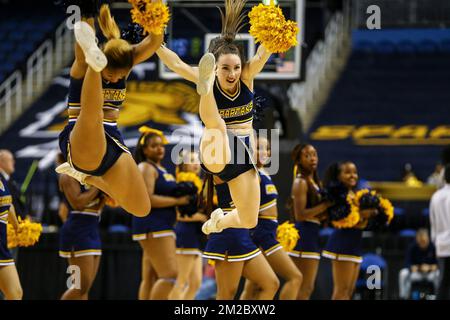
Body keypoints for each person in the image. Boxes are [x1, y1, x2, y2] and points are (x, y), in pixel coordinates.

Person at [156, 0, 289, 233]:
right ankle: (205, 88)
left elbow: (263, 52)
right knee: (217, 124)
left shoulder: (247, 76)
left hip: (241, 155)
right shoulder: (205, 73)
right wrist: (154, 40)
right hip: (214, 148)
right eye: (226, 68)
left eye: (236, 67)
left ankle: (217, 222)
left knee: (249, 220)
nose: (233, 73)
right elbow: (175, 62)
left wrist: (272, 17)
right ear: (215, 68)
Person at [55, 2, 164, 217]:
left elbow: (155, 41)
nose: (115, 79)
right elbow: (83, 37)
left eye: (120, 77)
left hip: (112, 139)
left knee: (141, 208)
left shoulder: (126, 59)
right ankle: (93, 57)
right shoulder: (82, 65)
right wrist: (87, 13)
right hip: (80, 134)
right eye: (110, 75)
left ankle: (89, 177)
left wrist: (151, 10)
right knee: (92, 113)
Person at [240, 136, 302, 300]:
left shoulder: (263, 172)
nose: (264, 152)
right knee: (295, 277)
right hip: (262, 232)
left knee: (253, 285)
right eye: (258, 147)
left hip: (267, 230)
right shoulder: (252, 173)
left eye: (266, 148)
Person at [132, 128, 190, 300]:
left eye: (161, 145)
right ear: (144, 150)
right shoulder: (145, 167)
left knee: (150, 278)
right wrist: (178, 202)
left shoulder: (160, 168)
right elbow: (148, 199)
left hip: (160, 225)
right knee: (170, 275)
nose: (159, 149)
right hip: (154, 225)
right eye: (154, 146)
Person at [203, 181, 279, 300]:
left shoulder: (249, 168)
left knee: (270, 284)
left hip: (243, 232)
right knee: (226, 295)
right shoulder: (227, 165)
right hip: (229, 229)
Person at [321, 161, 378, 300]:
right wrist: (363, 215)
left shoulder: (354, 194)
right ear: (339, 176)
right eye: (347, 172)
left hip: (355, 244)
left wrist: (370, 215)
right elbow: (342, 220)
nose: (352, 175)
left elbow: (360, 224)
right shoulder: (338, 195)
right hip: (342, 244)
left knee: (348, 292)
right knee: (341, 291)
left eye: (354, 172)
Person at [289, 143, 331, 299]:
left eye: (314, 154)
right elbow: (300, 214)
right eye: (307, 155)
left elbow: (315, 212)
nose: (312, 158)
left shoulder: (314, 181)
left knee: (306, 288)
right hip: (304, 235)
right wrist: (326, 205)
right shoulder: (300, 182)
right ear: (299, 160)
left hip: (312, 235)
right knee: (302, 287)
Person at [58, 172, 106, 300]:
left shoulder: (95, 174)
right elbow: (78, 204)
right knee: (79, 286)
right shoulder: (68, 175)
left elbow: (101, 204)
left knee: (86, 288)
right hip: (77, 232)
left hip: (93, 228)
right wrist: (99, 184)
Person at [169, 150, 208, 300]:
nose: (196, 163)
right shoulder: (183, 184)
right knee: (181, 281)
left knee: (196, 283)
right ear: (183, 165)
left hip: (196, 236)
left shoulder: (199, 184)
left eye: (197, 160)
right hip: (185, 234)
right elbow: (179, 215)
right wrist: (201, 217)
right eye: (191, 160)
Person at [0, 168, 22, 300]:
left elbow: (8, 204)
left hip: (2, 247)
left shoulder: (2, 179)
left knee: (15, 293)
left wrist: (17, 227)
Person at [398, 229, 439, 299]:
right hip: (416, 274)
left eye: (424, 241)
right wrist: (414, 267)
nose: (423, 243)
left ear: (428, 239)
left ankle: (438, 296)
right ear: (417, 240)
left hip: (430, 274)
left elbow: (438, 264)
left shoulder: (433, 246)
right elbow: (406, 263)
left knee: (438, 274)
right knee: (403, 273)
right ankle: (404, 297)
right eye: (421, 241)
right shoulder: (412, 247)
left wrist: (430, 267)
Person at [429, 164, 450, 299]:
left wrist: (436, 240)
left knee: (444, 282)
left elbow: (433, 223)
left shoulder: (436, 196)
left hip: (441, 245)